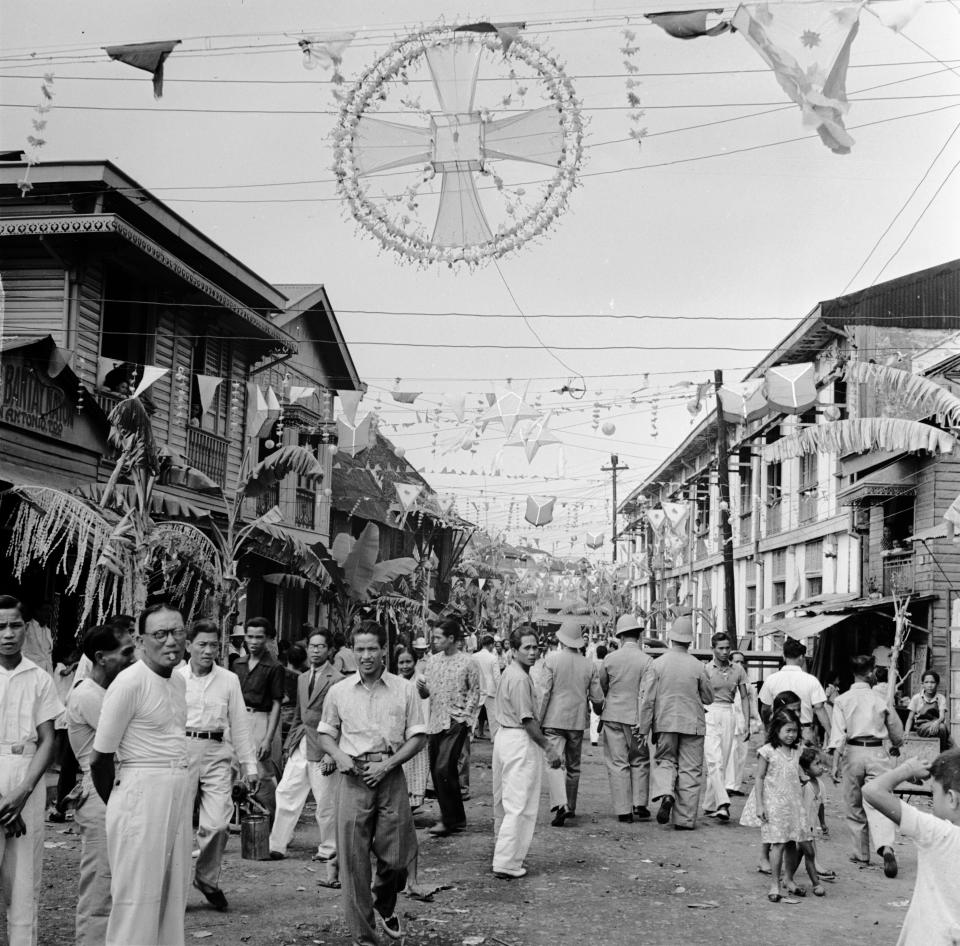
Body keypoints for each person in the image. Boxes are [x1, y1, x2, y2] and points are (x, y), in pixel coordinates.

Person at [317, 620, 427, 945]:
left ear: (383, 651)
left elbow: (418, 738)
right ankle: (364, 937)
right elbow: (325, 734)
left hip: (389, 774)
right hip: (352, 779)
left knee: (397, 856)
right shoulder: (338, 691)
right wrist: (339, 756)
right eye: (360, 649)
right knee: (353, 862)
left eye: (372, 649)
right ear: (353, 650)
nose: (366, 656)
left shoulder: (404, 690)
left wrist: (388, 765)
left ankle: (384, 899)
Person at [89, 601, 191, 946]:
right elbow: (99, 759)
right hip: (139, 792)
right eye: (160, 634)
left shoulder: (178, 680)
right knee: (137, 899)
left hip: (176, 791)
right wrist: (121, 801)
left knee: (172, 896)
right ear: (141, 639)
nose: (171, 642)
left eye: (177, 632)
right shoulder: (129, 683)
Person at [176, 619, 258, 911]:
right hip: (181, 751)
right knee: (178, 826)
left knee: (218, 824)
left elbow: (240, 724)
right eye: (202, 644)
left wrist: (250, 767)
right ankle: (175, 893)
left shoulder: (228, 679)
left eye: (213, 645)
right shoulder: (175, 678)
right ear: (188, 646)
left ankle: (206, 878)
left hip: (217, 751)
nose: (208, 650)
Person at [65, 621, 136, 945]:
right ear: (101, 657)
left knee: (119, 884)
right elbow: (127, 741)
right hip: (99, 790)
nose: (132, 658)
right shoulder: (88, 695)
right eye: (126, 652)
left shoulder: (106, 691)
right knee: (99, 888)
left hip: (115, 786)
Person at [0, 594, 61, 946]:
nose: (8, 633)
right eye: (1, 626)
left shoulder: (39, 678)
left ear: (26, 629)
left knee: (24, 881)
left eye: (15, 625)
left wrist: (21, 794)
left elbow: (47, 739)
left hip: (27, 775)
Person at [863, 749, 960, 945]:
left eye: (934, 793)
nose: (932, 803)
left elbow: (872, 791)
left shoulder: (937, 833)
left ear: (952, 798)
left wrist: (907, 769)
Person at [269, 627, 341, 876]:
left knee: (325, 800)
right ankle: (277, 844)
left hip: (325, 745)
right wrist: (289, 745)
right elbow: (299, 716)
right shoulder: (301, 678)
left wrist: (334, 752)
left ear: (330, 650)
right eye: (312, 646)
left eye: (321, 646)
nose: (315, 650)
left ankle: (328, 848)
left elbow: (341, 721)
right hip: (301, 743)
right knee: (286, 790)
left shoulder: (338, 680)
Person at [491, 626, 562, 878]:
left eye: (535, 647)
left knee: (506, 801)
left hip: (505, 737)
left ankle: (504, 854)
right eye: (527, 648)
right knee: (519, 803)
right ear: (513, 650)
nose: (532, 653)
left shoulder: (512, 672)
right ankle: (507, 862)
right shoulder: (519, 678)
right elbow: (527, 720)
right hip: (518, 739)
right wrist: (548, 748)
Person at [827, 653, 904, 876]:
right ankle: (885, 846)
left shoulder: (842, 700)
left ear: (852, 673)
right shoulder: (880, 699)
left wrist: (834, 764)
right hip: (877, 751)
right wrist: (896, 744)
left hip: (852, 752)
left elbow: (838, 736)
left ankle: (861, 853)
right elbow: (896, 731)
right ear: (871, 672)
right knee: (880, 800)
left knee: (854, 803)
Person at [638, 615, 713, 830]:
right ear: (690, 641)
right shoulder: (699, 666)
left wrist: (644, 728)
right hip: (693, 723)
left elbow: (648, 699)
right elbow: (709, 698)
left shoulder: (657, 664)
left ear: (671, 638)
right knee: (691, 769)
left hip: (665, 721)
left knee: (665, 760)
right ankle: (685, 819)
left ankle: (666, 793)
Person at [740, 708, 823, 902]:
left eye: (794, 731)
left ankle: (790, 879)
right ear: (776, 729)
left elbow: (798, 773)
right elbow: (759, 778)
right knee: (777, 844)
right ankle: (775, 884)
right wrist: (760, 805)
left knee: (792, 843)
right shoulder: (767, 751)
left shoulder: (797, 750)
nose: (791, 735)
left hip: (794, 805)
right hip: (774, 805)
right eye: (787, 730)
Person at [417, 617, 480, 837]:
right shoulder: (432, 661)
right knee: (438, 771)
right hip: (435, 722)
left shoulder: (468, 662)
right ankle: (455, 819)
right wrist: (421, 688)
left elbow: (475, 691)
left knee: (444, 767)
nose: (433, 641)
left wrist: (466, 718)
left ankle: (447, 820)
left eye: (438, 637)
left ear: (451, 638)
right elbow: (427, 693)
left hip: (456, 720)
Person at [539, 619, 604, 826]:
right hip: (576, 721)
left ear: (562, 639)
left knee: (554, 763)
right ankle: (571, 806)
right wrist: (599, 711)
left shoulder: (551, 660)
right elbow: (597, 697)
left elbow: (544, 693)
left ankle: (561, 804)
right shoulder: (589, 665)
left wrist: (538, 721)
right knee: (574, 767)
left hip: (553, 719)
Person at [600, 614, 654, 823]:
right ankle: (639, 803)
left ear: (620, 636)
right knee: (639, 759)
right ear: (639, 635)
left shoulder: (609, 659)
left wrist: (602, 708)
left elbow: (602, 687)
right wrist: (646, 723)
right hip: (636, 717)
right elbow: (648, 696)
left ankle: (623, 810)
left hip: (613, 714)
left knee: (617, 762)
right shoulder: (647, 661)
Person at [232, 616, 285, 822]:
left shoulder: (274, 667)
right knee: (235, 769)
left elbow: (276, 703)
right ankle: (237, 820)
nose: (253, 642)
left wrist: (267, 738)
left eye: (259, 637)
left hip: (261, 719)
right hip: (238, 719)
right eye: (250, 636)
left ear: (268, 639)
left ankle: (274, 821)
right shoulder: (237, 663)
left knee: (262, 773)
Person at [702, 631, 750, 822]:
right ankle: (723, 803)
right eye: (720, 648)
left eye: (727, 648)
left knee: (723, 758)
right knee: (714, 760)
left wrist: (746, 722)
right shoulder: (705, 670)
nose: (724, 652)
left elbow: (744, 696)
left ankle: (708, 804)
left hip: (729, 713)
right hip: (710, 712)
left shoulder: (737, 670)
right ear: (713, 649)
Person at [758, 637, 831, 746]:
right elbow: (819, 709)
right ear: (802, 657)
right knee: (805, 762)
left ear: (783, 656)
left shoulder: (771, 679)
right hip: (804, 732)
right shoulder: (811, 680)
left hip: (780, 731)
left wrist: (769, 728)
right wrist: (831, 733)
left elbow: (765, 709)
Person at [394, 645, 430, 811]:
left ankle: (412, 805)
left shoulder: (421, 679)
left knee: (417, 769)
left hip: (418, 731)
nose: (405, 666)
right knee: (403, 770)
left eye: (408, 661)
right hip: (400, 732)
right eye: (401, 662)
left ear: (415, 662)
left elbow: (425, 695)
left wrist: (423, 691)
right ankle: (403, 806)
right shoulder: (395, 682)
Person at [48, 648, 81, 823]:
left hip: (67, 710)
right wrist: (75, 664)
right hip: (62, 707)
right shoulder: (60, 666)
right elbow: (64, 672)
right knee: (61, 743)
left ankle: (61, 807)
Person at [799, 747, 835, 880]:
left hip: (811, 823)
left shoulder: (820, 784)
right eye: (816, 764)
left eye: (821, 763)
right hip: (800, 823)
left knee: (810, 843)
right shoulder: (803, 785)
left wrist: (823, 823)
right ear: (806, 769)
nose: (821, 767)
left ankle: (815, 865)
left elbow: (821, 805)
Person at [726, 651, 757, 796]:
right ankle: (729, 785)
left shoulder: (748, 684)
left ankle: (736, 785)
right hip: (729, 721)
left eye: (742, 661)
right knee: (730, 753)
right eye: (737, 661)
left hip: (743, 722)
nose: (740, 664)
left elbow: (752, 704)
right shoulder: (727, 680)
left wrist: (754, 722)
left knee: (741, 755)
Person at [905, 670, 953, 752]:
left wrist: (936, 722)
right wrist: (906, 732)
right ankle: (941, 753)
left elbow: (942, 717)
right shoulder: (917, 698)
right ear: (922, 684)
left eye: (932, 682)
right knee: (942, 728)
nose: (929, 685)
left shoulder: (941, 698)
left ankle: (941, 752)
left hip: (937, 725)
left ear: (937, 684)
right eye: (926, 682)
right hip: (922, 727)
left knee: (944, 729)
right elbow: (910, 718)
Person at [472, 634, 501, 741]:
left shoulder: (474, 656)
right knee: (493, 716)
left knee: (474, 713)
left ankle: (469, 736)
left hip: (477, 687)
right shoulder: (493, 658)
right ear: (491, 645)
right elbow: (497, 676)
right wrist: (499, 690)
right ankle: (495, 737)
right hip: (491, 688)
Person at [21, 603, 54, 676]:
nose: (49, 614)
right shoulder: (27, 628)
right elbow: (21, 652)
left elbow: (48, 655)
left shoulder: (48, 631)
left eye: (50, 611)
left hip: (46, 674)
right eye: (46, 610)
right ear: (37, 611)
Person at [590, 643, 608, 747]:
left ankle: (594, 739)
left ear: (596, 654)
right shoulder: (607, 664)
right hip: (605, 694)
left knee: (594, 716)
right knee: (606, 716)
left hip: (594, 693)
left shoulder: (592, 664)